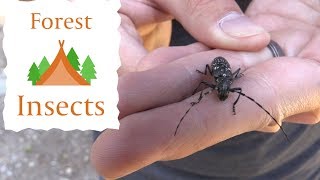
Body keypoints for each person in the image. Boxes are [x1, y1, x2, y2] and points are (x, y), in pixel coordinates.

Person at [91, 0, 320, 179]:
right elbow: (206, 83)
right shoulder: (212, 85)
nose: (222, 92)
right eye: (221, 89)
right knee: (140, 149)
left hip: (293, 160)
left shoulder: (230, 87)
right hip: (162, 167)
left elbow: (236, 86)